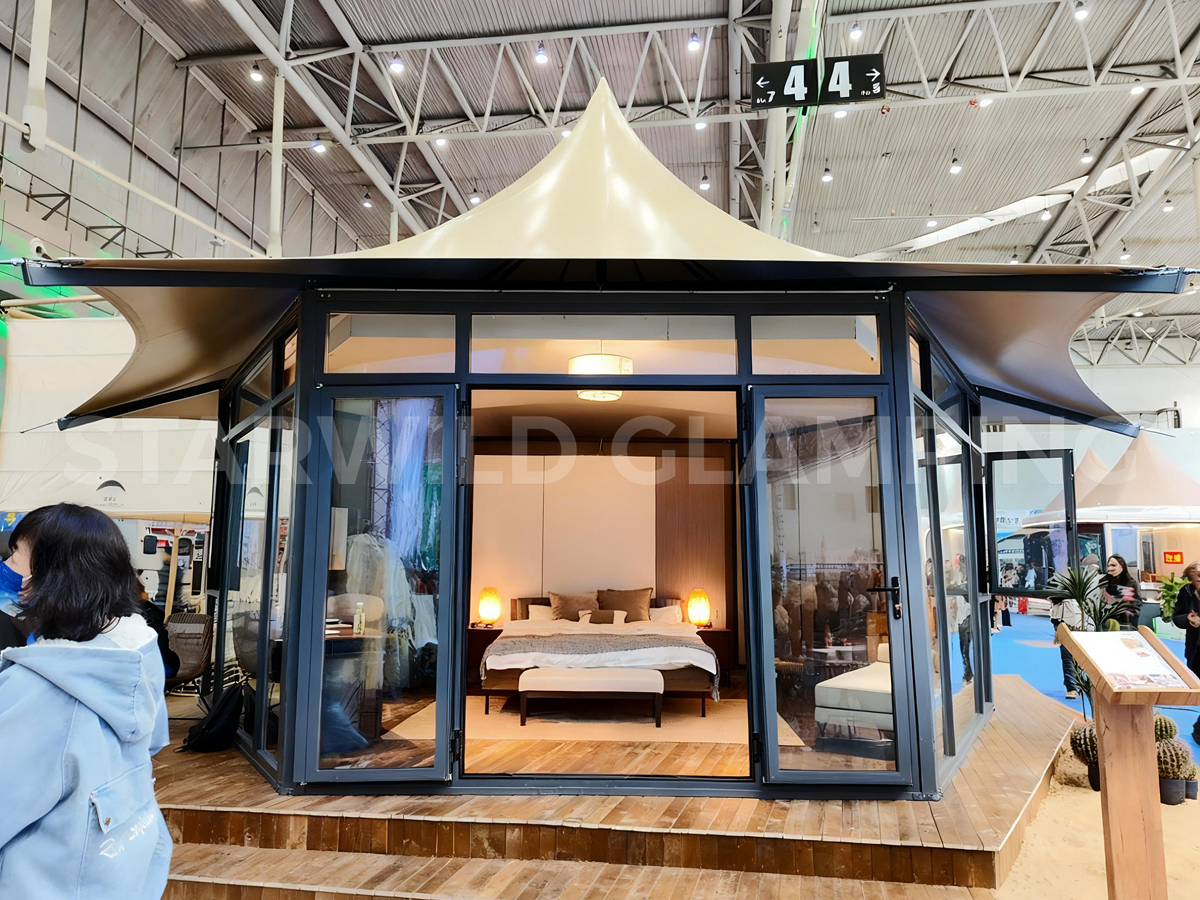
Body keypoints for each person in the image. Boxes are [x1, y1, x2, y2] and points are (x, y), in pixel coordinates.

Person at [0, 503, 172, 899]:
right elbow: (154, 740)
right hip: (122, 875)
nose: (7, 568)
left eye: (16, 557)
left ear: (52, 578)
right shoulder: (138, 655)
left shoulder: (40, 690)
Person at [1173, 561, 1200, 741]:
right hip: (1195, 650)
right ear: (1191, 580)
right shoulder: (1186, 592)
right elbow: (1177, 617)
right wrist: (1188, 619)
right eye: (1198, 578)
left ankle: (1198, 731)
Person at [1051, 587, 1084, 700]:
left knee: (1068, 659)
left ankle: (1072, 686)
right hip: (1075, 628)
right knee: (1072, 658)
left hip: (1070, 628)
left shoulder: (1061, 600)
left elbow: (1055, 618)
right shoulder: (1078, 598)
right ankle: (1073, 685)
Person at [1101, 554, 1141, 630]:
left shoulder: (1130, 583)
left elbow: (1133, 603)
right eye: (1108, 566)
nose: (1110, 568)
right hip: (1108, 619)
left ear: (1122, 566)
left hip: (1126, 620)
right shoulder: (1104, 582)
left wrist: (1116, 599)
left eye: (1113, 565)